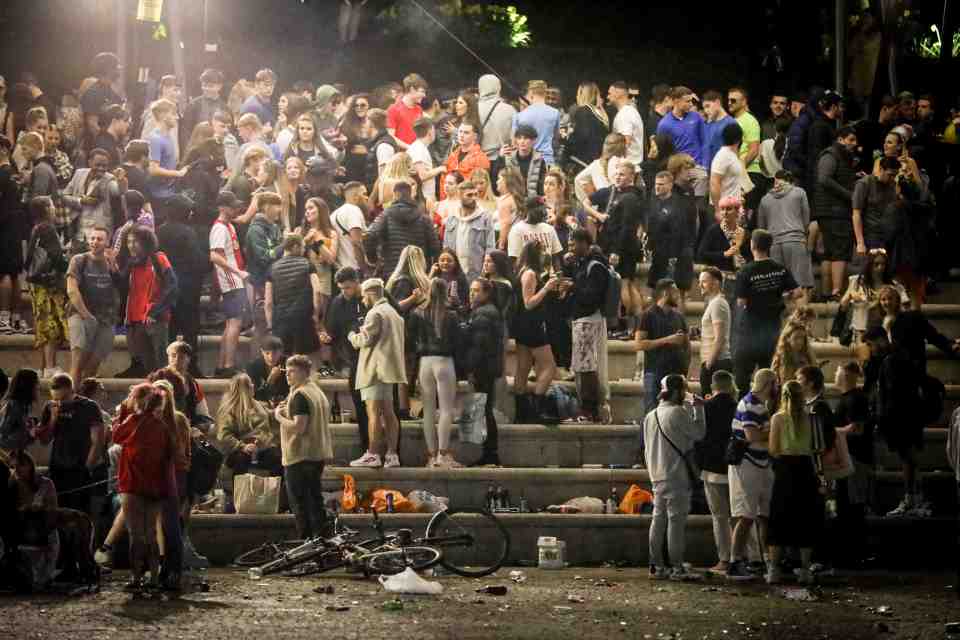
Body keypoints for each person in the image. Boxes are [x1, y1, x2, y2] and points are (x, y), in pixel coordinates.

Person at [111, 383, 173, 592]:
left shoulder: (133, 420)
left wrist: (122, 416)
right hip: (155, 486)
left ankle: (136, 577)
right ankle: (154, 577)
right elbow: (169, 454)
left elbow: (116, 437)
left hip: (133, 483)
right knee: (150, 534)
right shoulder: (162, 426)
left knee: (135, 534)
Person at [644, 374, 705, 581]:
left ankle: (656, 566)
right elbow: (698, 434)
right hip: (676, 475)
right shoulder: (677, 412)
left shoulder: (650, 415)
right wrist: (699, 409)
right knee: (676, 523)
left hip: (656, 475)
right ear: (678, 391)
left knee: (658, 520)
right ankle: (677, 567)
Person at [765, 379, 826, 585]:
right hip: (806, 469)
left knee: (779, 517)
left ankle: (774, 569)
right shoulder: (813, 418)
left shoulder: (777, 418)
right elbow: (819, 449)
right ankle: (805, 569)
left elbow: (773, 449)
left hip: (784, 470)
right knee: (805, 518)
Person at [733, 229, 800, 396]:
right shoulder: (780, 269)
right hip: (772, 331)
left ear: (752, 245)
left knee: (742, 378)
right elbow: (798, 292)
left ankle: (744, 410)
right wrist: (782, 298)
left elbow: (741, 302)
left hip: (749, 332)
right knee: (769, 377)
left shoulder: (745, 271)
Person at [726, 368, 777, 581]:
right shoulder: (750, 404)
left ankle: (766, 560)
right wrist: (776, 429)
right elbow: (751, 435)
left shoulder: (760, 405)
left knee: (763, 514)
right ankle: (735, 561)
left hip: (761, 462)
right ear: (768, 384)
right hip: (748, 463)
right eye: (775, 383)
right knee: (746, 515)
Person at [349, 279, 405, 468]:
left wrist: (351, 336)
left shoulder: (375, 313)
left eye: (364, 296)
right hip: (388, 371)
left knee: (373, 412)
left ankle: (373, 453)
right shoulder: (394, 313)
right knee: (389, 413)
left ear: (371, 293)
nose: (363, 300)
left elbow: (364, 340)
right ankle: (392, 454)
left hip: (375, 370)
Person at [408, 279, 462, 468]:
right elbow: (458, 342)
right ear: (446, 291)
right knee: (446, 410)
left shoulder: (417, 312)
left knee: (428, 411)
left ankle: (431, 455)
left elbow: (410, 339)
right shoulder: (452, 315)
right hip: (444, 361)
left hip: (425, 362)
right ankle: (443, 454)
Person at [33, 373, 105, 516]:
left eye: (63, 399)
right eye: (55, 399)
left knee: (80, 513)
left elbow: (98, 441)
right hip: (58, 467)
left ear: (71, 391)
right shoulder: (50, 406)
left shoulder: (89, 406)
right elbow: (44, 440)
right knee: (58, 512)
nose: (59, 403)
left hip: (80, 468)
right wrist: (53, 419)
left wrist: (87, 467)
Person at [561, 229, 610, 422]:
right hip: (581, 319)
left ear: (584, 243)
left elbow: (592, 296)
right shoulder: (582, 263)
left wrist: (572, 287)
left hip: (589, 320)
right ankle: (587, 408)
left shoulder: (596, 266)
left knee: (587, 366)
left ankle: (589, 410)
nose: (570, 248)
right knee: (582, 366)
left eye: (573, 244)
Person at [216, 373, 283, 514]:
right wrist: (243, 446)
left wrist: (278, 411)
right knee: (240, 460)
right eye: (250, 384)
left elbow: (267, 417)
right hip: (240, 449)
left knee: (278, 460)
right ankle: (239, 502)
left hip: (262, 448)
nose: (253, 386)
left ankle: (277, 502)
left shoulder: (257, 404)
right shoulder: (229, 410)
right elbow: (224, 435)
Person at [591, 161, 644, 336]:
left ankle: (627, 324)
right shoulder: (623, 195)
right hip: (623, 247)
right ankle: (637, 324)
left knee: (623, 285)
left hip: (623, 248)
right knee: (628, 284)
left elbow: (627, 228)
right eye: (616, 173)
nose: (618, 176)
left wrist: (616, 251)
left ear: (631, 177)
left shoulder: (629, 198)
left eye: (622, 174)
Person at [321, 267, 371, 453]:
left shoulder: (369, 296)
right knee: (360, 406)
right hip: (353, 360)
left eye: (348, 288)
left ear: (357, 282)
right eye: (342, 288)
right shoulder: (338, 302)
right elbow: (332, 332)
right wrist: (327, 338)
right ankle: (366, 446)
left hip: (374, 358)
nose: (345, 292)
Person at [156, 196, 207, 374]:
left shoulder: (159, 231)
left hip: (165, 288)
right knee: (190, 330)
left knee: (168, 330)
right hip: (187, 288)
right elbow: (198, 260)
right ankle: (190, 367)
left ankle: (167, 366)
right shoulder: (188, 232)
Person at [512, 240, 560, 422]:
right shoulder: (530, 274)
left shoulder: (522, 271)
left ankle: (521, 412)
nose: (544, 255)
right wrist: (547, 288)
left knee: (523, 369)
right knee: (549, 366)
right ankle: (536, 407)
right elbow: (529, 302)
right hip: (532, 325)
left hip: (522, 325)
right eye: (542, 252)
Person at [831, 361, 873, 566]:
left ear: (846, 375)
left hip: (854, 459)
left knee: (852, 506)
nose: (835, 376)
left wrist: (833, 432)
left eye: (838, 372)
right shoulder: (849, 398)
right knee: (846, 505)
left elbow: (858, 429)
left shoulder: (856, 399)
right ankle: (851, 552)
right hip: (849, 458)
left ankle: (854, 554)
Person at [123, 226, 178, 375]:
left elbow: (172, 286)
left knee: (161, 362)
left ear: (146, 242)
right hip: (136, 319)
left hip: (155, 318)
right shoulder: (131, 263)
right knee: (148, 365)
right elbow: (123, 287)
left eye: (135, 241)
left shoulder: (158, 258)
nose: (131, 245)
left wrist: (155, 311)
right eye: (128, 241)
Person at [66, 226, 118, 384]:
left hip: (106, 318)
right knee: (78, 363)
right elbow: (72, 291)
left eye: (99, 239)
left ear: (107, 242)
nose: (95, 242)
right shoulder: (79, 260)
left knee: (93, 366)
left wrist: (114, 267)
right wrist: (86, 316)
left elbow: (120, 288)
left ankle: (85, 402)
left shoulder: (112, 262)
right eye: (92, 238)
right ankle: (70, 402)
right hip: (80, 314)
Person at [25, 197, 69, 377]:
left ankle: (44, 367)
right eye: (51, 205)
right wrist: (69, 263)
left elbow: (28, 260)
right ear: (45, 208)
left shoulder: (36, 228)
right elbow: (57, 258)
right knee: (51, 322)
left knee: (42, 322)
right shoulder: (47, 228)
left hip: (36, 283)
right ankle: (50, 367)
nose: (54, 208)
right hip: (49, 284)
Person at [815, 126, 859, 300]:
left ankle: (828, 292)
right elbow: (824, 178)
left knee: (830, 252)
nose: (855, 144)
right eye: (851, 140)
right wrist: (849, 195)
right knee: (839, 251)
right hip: (835, 211)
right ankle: (836, 292)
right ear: (840, 139)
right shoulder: (831, 155)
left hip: (831, 210)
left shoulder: (837, 156)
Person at [464, 278, 505, 466]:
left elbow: (478, 346)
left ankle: (491, 453)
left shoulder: (483, 315)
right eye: (471, 290)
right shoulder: (486, 312)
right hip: (488, 367)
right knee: (485, 409)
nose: (472, 294)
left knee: (485, 410)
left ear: (487, 293)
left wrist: (470, 368)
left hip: (483, 369)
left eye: (477, 291)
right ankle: (489, 452)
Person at [701, 370, 738, 574]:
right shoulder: (738, 406)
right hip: (735, 467)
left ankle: (724, 559)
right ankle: (744, 558)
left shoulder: (706, 407)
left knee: (720, 517)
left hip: (712, 468)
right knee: (739, 516)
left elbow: (698, 438)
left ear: (713, 387)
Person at [364, 180, 440, 278]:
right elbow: (435, 247)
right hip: (418, 272)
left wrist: (373, 259)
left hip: (392, 271)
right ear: (410, 194)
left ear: (395, 195)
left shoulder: (385, 215)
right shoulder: (424, 218)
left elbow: (369, 236)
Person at [209, 191, 249, 375]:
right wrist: (237, 272)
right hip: (232, 281)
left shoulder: (229, 226)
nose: (236, 209)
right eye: (232, 206)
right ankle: (228, 365)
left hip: (234, 280)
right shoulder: (219, 228)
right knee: (235, 323)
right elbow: (214, 256)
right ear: (222, 207)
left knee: (230, 324)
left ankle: (220, 364)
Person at [265, 233, 323, 357]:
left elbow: (268, 302)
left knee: (284, 359)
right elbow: (317, 291)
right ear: (295, 246)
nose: (303, 250)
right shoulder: (308, 264)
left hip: (280, 320)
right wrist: (316, 314)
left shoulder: (272, 268)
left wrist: (270, 325)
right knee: (308, 360)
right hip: (303, 318)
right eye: (303, 247)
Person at [637, 279, 688, 415]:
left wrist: (685, 370)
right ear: (665, 293)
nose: (678, 294)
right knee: (651, 413)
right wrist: (667, 340)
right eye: (675, 291)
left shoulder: (679, 317)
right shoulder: (648, 315)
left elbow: (686, 344)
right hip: (655, 372)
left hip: (676, 374)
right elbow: (639, 343)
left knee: (675, 414)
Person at [756, 170, 814, 290]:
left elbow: (761, 228)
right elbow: (806, 219)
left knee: (779, 286)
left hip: (774, 244)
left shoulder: (765, 199)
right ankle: (799, 309)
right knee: (800, 284)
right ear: (791, 181)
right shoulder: (799, 192)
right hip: (796, 241)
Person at [646, 171, 696, 305]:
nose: (657, 187)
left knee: (677, 295)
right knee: (654, 292)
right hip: (658, 253)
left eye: (661, 185)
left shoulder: (678, 206)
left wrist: (673, 257)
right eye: (656, 184)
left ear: (670, 186)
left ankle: (679, 323)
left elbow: (679, 233)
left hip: (676, 255)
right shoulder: (653, 202)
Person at [839, 250, 907, 345]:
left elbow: (904, 307)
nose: (880, 267)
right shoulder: (857, 282)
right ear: (869, 265)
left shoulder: (894, 286)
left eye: (883, 264)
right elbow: (843, 306)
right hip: (862, 330)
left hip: (886, 330)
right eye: (876, 264)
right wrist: (850, 295)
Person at [61, 147, 123, 246]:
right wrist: (80, 201)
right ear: (89, 162)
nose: (101, 168)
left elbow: (119, 191)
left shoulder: (109, 180)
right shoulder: (79, 174)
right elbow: (64, 196)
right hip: (78, 233)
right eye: (98, 165)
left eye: (104, 166)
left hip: (99, 237)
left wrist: (121, 180)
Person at [244, 191, 284, 339]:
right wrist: (284, 245)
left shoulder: (275, 227)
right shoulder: (255, 230)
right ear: (266, 207)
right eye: (277, 205)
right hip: (259, 283)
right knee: (261, 325)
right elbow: (264, 257)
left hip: (274, 283)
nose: (280, 209)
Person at [443, 180, 496, 284]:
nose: (474, 198)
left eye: (476, 194)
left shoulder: (485, 217)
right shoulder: (451, 218)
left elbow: (490, 247)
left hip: (476, 273)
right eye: (469, 195)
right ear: (459, 195)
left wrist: (485, 273)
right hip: (455, 273)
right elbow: (446, 247)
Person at [145, 99, 187, 223]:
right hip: (158, 197)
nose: (177, 117)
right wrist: (178, 174)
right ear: (163, 115)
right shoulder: (155, 138)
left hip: (169, 193)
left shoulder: (168, 135)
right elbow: (153, 169)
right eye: (173, 114)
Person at [727, 87, 765, 211]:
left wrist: (739, 169)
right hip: (736, 173)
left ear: (744, 102)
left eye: (733, 100)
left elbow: (754, 150)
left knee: (744, 216)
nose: (729, 103)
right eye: (728, 100)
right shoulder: (732, 121)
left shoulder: (750, 121)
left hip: (749, 173)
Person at [852, 156, 899, 253]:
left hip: (888, 234)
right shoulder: (865, 183)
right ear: (881, 169)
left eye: (895, 175)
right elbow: (856, 214)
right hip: (870, 234)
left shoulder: (892, 185)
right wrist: (860, 242)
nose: (892, 178)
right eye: (890, 175)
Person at [699, 268, 732, 396]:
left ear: (716, 283)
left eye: (704, 281)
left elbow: (719, 338)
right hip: (714, 362)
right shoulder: (714, 303)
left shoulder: (718, 303)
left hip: (717, 363)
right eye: (700, 281)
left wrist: (708, 365)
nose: (700, 285)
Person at [512, 80, 560, 165]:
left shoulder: (519, 115)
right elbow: (556, 138)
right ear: (545, 93)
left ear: (530, 93)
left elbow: (514, 142)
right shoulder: (555, 113)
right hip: (547, 159)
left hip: (527, 160)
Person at [656, 86, 706, 168]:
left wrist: (705, 164)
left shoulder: (696, 117)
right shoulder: (664, 124)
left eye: (691, 101)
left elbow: (705, 141)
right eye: (687, 101)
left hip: (698, 166)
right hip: (679, 170)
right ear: (676, 101)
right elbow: (663, 154)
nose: (691, 104)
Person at [565, 81, 610, 169]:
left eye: (578, 93)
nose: (576, 96)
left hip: (584, 162)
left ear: (582, 94)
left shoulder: (583, 111)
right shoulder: (601, 113)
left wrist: (566, 138)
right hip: (598, 160)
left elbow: (582, 136)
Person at [181, 69, 226, 154]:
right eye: (204, 85)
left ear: (219, 86)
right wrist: (188, 154)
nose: (207, 89)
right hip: (197, 152)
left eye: (211, 86)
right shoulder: (193, 105)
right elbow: (185, 133)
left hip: (218, 151)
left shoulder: (224, 107)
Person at [495, 125, 547, 198]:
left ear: (533, 141)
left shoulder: (539, 160)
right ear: (516, 140)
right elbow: (496, 179)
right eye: (519, 138)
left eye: (526, 138)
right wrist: (500, 158)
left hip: (533, 202)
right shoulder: (508, 158)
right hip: (513, 200)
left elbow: (542, 185)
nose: (522, 141)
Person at [442, 122, 490, 198]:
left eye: (466, 133)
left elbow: (482, 188)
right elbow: (444, 182)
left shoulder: (481, 158)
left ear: (475, 136)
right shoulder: (452, 155)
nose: (461, 135)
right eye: (460, 131)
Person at [709, 122, 752, 207]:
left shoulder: (733, 156)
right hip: (724, 209)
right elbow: (714, 182)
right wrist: (717, 209)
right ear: (739, 139)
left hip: (734, 207)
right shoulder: (723, 155)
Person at [477, 74, 517, 164]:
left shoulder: (473, 110)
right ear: (498, 87)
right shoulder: (510, 110)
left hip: (478, 161)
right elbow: (515, 140)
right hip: (503, 159)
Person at [0, 369, 41, 454]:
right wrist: (27, 433)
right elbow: (3, 434)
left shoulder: (23, 406)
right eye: (36, 384)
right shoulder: (14, 406)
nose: (38, 387)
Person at [331, 181, 369, 273]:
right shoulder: (353, 210)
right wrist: (365, 270)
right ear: (355, 196)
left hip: (341, 270)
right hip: (355, 269)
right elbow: (356, 242)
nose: (367, 197)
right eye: (364, 194)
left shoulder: (334, 214)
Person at [608, 81, 645, 169]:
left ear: (618, 94)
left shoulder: (625, 114)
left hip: (627, 167)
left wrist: (615, 165)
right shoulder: (629, 111)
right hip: (630, 165)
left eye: (609, 93)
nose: (607, 96)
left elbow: (625, 142)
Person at [244, 336, 290, 405]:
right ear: (262, 352)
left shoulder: (289, 364)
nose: (271, 358)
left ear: (281, 352)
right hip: (262, 404)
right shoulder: (253, 367)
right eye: (267, 353)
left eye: (274, 353)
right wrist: (270, 380)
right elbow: (256, 395)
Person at [409, 118, 444, 206]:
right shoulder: (418, 149)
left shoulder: (421, 147)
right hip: (422, 199)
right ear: (430, 131)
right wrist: (440, 169)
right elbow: (422, 175)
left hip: (425, 198)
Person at [387, 73, 427, 149]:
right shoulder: (393, 109)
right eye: (422, 91)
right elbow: (390, 137)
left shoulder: (419, 109)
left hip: (416, 154)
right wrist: (410, 148)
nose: (424, 95)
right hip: (401, 157)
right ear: (412, 89)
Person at [702, 90, 738, 169]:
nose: (706, 110)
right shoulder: (707, 124)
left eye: (708, 106)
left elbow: (733, 153)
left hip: (723, 171)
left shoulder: (731, 124)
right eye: (704, 108)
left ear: (717, 103)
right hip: (707, 171)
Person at [93, 104, 130, 169]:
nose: (128, 125)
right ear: (114, 121)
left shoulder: (115, 142)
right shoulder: (103, 144)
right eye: (125, 121)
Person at [240, 69, 277, 133]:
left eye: (272, 85)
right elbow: (245, 133)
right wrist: (262, 131)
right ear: (256, 85)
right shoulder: (251, 106)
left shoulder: (270, 102)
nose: (269, 88)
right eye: (266, 85)